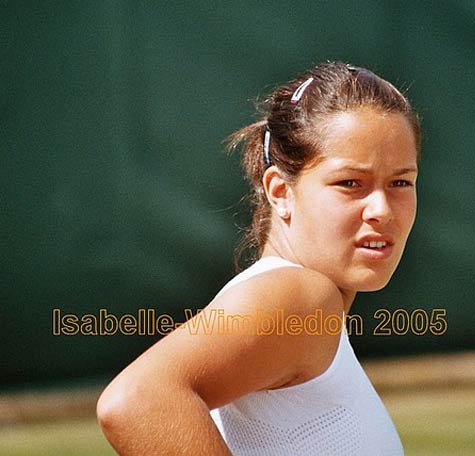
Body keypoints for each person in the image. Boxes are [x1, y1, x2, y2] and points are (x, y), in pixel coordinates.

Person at [96, 61, 420, 455]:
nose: (382, 210)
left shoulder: (309, 311)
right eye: (350, 183)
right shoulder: (300, 296)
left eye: (400, 182)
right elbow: (137, 401)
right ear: (280, 192)